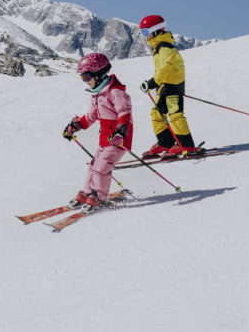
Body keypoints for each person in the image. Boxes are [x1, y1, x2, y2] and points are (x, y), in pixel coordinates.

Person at [62, 53, 132, 213]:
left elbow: (124, 112)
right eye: (82, 77)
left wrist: (121, 131)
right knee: (93, 165)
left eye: (86, 77)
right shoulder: (97, 94)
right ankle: (88, 192)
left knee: (102, 167)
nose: (85, 81)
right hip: (105, 139)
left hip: (119, 139)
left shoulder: (116, 92)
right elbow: (90, 117)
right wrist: (75, 126)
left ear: (99, 74)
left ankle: (99, 197)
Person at [137, 14, 205, 158]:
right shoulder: (157, 47)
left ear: (156, 30)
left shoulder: (165, 47)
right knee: (156, 114)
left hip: (173, 85)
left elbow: (166, 67)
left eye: (146, 32)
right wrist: (156, 83)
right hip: (163, 86)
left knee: (175, 115)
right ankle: (166, 143)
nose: (145, 36)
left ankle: (186, 145)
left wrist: (151, 82)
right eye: (142, 32)